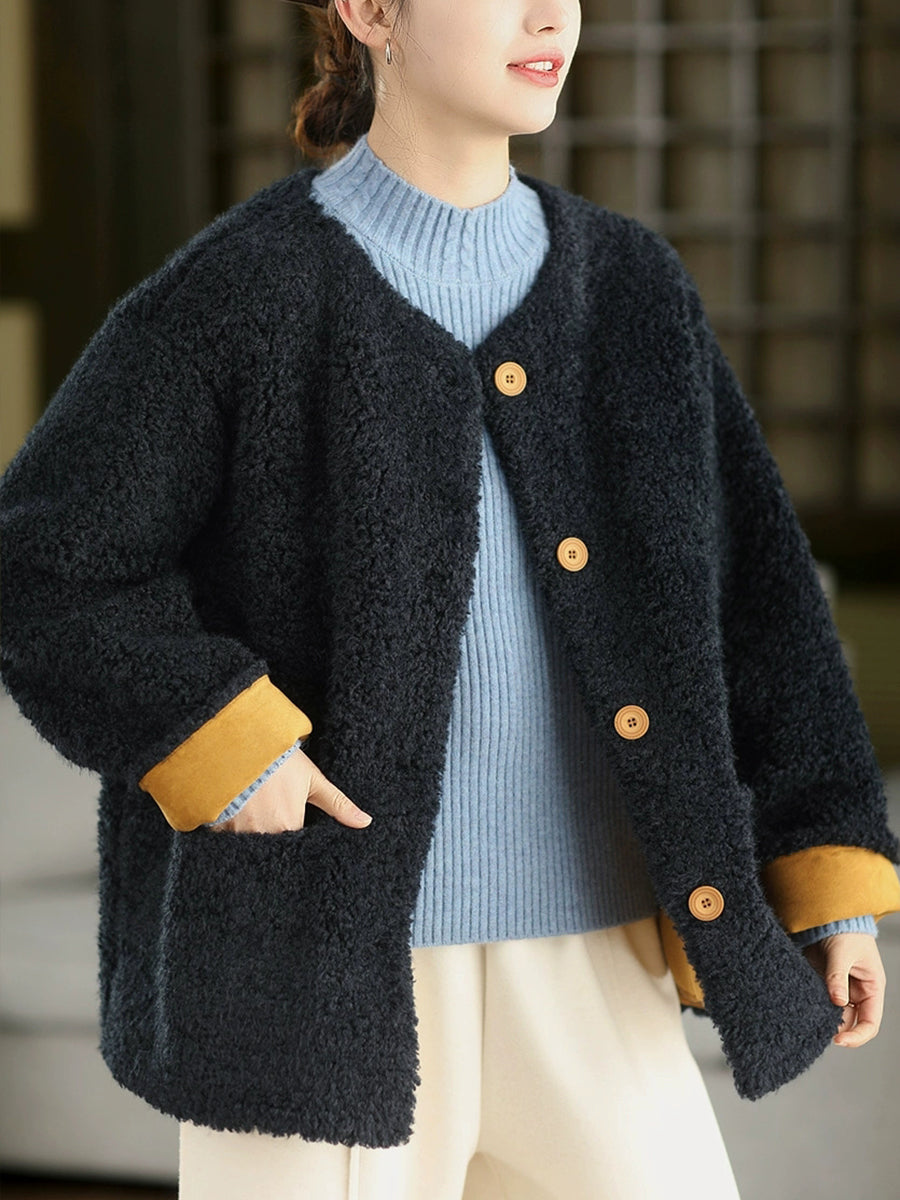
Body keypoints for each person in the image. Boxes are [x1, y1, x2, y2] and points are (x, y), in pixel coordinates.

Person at [1, 1, 899, 1197]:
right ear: (372, 10)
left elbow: (766, 609)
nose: (549, 14)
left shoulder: (632, 290)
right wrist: (222, 746)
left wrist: (827, 883)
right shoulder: (238, 293)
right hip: (316, 982)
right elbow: (43, 561)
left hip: (598, 962)